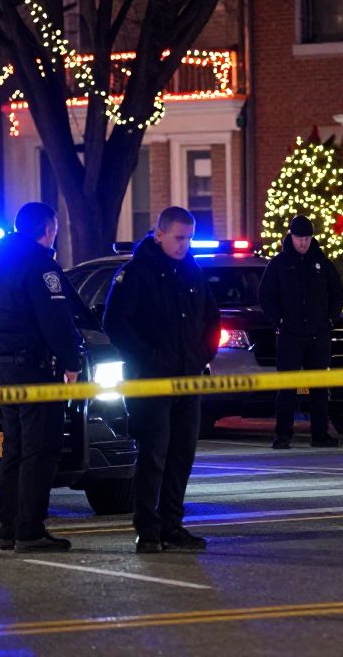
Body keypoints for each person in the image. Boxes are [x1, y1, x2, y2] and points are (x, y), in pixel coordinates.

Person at [103, 206, 220, 554]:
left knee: (182, 454)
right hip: (151, 381)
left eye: (189, 238)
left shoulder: (191, 271)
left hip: (187, 379)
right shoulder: (136, 273)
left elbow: (211, 318)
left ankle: (172, 526)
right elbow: (116, 323)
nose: (185, 245)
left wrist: (202, 355)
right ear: (159, 234)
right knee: (154, 455)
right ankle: (148, 530)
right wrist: (148, 359)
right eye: (179, 238)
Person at [0, 202, 84, 552]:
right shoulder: (41, 266)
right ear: (48, 229)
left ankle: (8, 529)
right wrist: (72, 364)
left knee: (14, 450)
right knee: (40, 449)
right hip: (36, 370)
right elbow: (57, 322)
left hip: (4, 369)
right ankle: (30, 530)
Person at [258, 214, 343, 449]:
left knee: (319, 387)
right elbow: (266, 296)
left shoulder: (322, 264)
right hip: (290, 336)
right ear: (291, 237)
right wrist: (279, 321)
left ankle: (320, 434)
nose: (303, 243)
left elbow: (337, 294)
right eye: (299, 238)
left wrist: (329, 320)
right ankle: (283, 435)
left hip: (318, 335)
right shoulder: (279, 264)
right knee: (287, 387)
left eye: (307, 238)